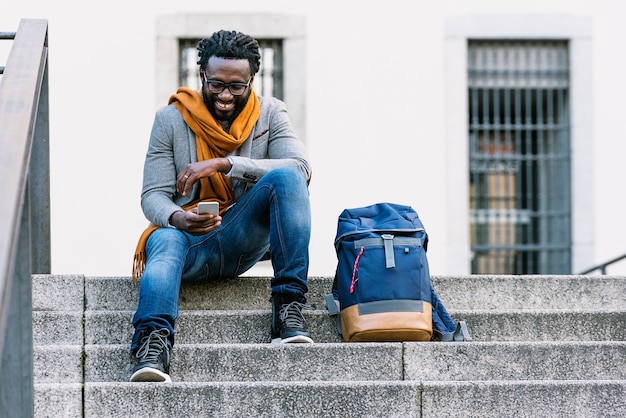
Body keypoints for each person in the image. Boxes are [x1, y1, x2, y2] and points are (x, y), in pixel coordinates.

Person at [129, 29, 313, 383]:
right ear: (202, 76)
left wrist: (225, 164)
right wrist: (176, 217)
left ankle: (288, 307)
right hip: (187, 241)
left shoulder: (271, 114)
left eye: (236, 87)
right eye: (216, 85)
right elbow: (152, 195)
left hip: (241, 236)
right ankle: (152, 344)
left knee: (288, 177)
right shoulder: (169, 120)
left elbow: (301, 167)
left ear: (252, 80)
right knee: (163, 240)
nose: (225, 95)